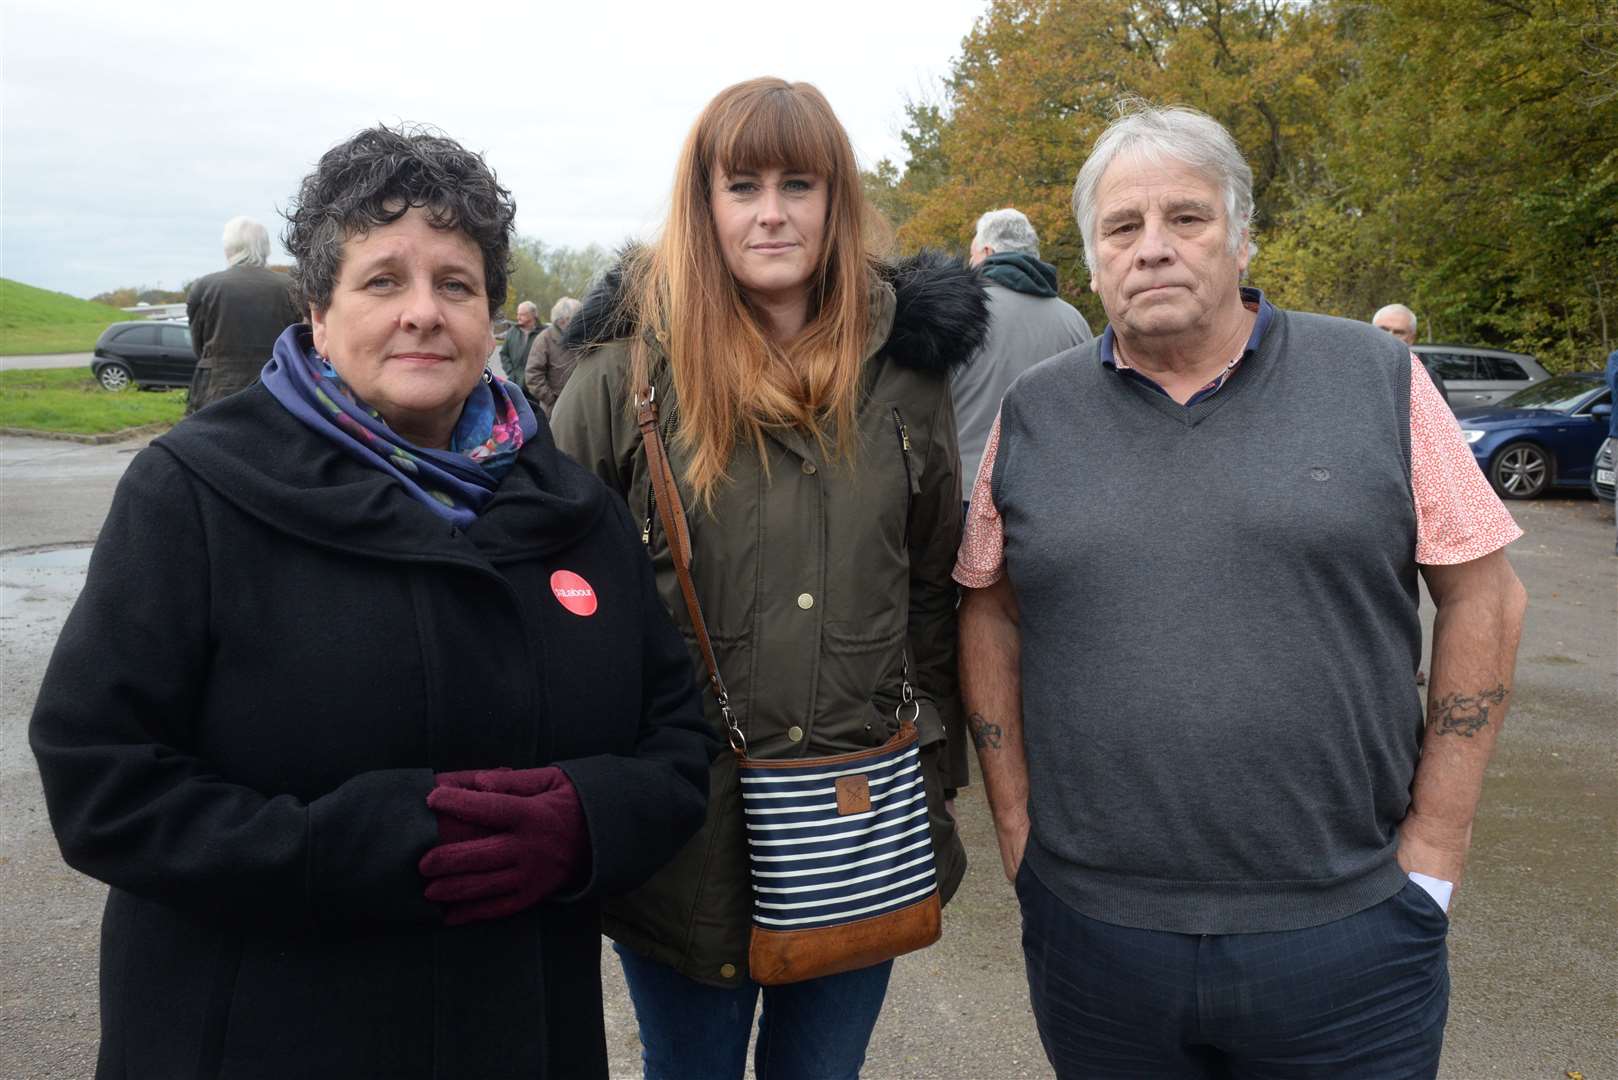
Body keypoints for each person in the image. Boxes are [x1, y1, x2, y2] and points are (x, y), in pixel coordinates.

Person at [29, 125, 716, 1079]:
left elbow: (678, 745)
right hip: (259, 1033)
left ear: (487, 313)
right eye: (384, 280)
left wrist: (582, 821)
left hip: (518, 1034)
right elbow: (99, 779)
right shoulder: (194, 492)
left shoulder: (574, 511)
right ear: (316, 308)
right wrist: (342, 849)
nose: (424, 313)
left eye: (456, 283)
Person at [956, 102, 1527, 1079]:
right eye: (1121, 228)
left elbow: (1486, 595)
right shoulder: (1034, 411)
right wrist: (1017, 828)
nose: (1153, 249)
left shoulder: (1375, 377)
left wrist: (1433, 847)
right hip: (1098, 936)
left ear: (1242, 234)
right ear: (1090, 262)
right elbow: (986, 606)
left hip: (1345, 930)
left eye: (1186, 218)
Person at [550, 77, 982, 1079]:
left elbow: (928, 584)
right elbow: (554, 602)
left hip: (856, 807)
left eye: (800, 182)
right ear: (704, 203)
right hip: (681, 824)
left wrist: (932, 762)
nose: (772, 212)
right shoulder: (622, 379)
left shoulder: (909, 375)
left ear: (837, 201)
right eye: (741, 185)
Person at [954, 207, 1091, 502]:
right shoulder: (1073, 322)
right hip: (1047, 493)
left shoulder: (957, 314)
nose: (969, 263)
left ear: (987, 251)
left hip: (963, 491)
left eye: (972, 255)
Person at [183, 216, 303, 413]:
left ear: (229, 248)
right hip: (278, 388)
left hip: (216, 389)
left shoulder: (205, 287)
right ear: (266, 248)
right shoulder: (290, 287)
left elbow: (198, 344)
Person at [1376, 301, 1448, 405]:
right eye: (1383, 329)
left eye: (1399, 332)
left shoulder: (1427, 380)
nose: (1389, 337)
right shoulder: (1351, 369)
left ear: (1411, 339)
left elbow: (1441, 420)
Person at [524, 295, 583, 414]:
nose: (581, 322)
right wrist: (552, 400)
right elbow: (533, 376)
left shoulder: (581, 336)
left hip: (579, 407)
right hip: (554, 410)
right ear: (563, 320)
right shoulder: (544, 339)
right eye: (577, 318)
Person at [501, 299, 544, 385]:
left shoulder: (543, 333)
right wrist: (511, 372)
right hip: (514, 383)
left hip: (535, 386)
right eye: (518, 314)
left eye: (522, 314)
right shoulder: (512, 331)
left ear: (533, 315)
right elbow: (504, 354)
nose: (518, 317)